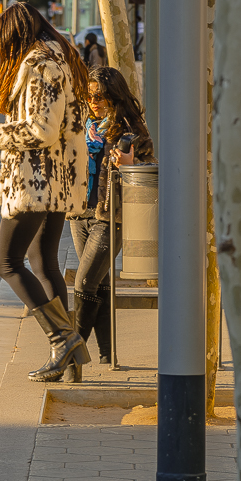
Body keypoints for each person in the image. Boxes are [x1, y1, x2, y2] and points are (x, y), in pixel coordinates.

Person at [0, 1, 91, 383]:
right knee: (44, 263)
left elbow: (41, 130)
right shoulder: (61, 59)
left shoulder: (40, 66)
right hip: (58, 180)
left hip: (37, 181)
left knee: (6, 262)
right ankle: (70, 359)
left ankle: (62, 339)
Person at [68, 66, 155, 364]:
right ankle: (106, 354)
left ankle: (69, 357)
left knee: (83, 284)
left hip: (110, 218)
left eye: (100, 96)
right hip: (79, 214)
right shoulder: (81, 125)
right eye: (89, 96)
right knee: (99, 283)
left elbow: (152, 178)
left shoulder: (132, 133)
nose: (94, 102)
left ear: (114, 96)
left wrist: (130, 166)